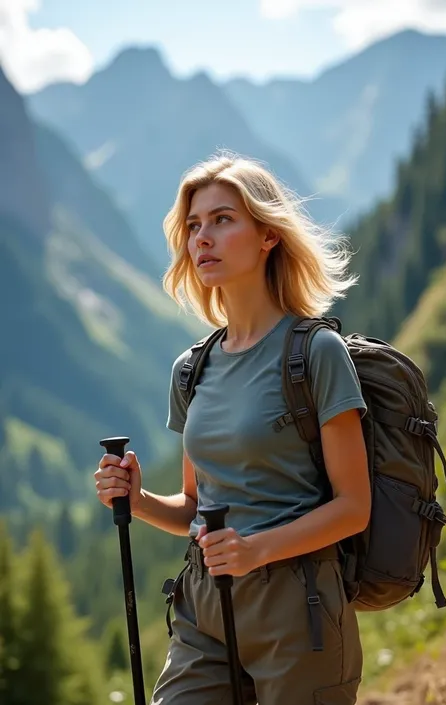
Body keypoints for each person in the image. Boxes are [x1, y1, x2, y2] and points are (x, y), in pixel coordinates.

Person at [95, 152, 371, 705]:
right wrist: (137, 498)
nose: (203, 239)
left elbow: (353, 507)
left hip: (299, 609)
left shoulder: (316, 353)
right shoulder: (193, 369)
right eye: (194, 226)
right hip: (202, 602)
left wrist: (256, 550)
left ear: (268, 234)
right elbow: (197, 508)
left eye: (223, 220)